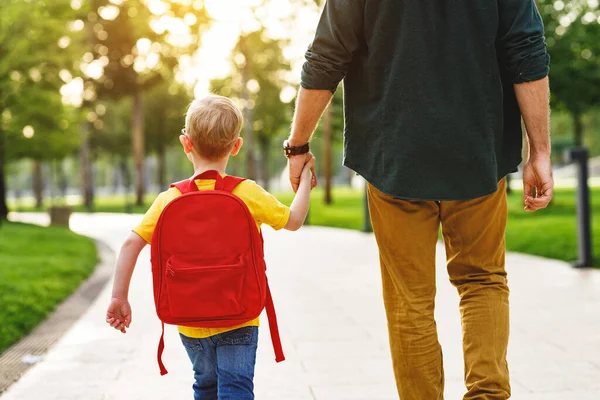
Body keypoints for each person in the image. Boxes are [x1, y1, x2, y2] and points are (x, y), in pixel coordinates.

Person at [286, 1, 553, 399]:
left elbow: (327, 55)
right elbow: (526, 49)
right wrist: (540, 151)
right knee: (482, 280)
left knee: (409, 300)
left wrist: (298, 144)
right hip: (476, 151)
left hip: (395, 155)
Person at [105, 95, 314, 400]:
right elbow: (294, 220)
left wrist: (118, 297)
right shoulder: (247, 193)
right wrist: (305, 178)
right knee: (237, 389)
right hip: (241, 314)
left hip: (191, 320)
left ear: (185, 143)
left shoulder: (169, 199)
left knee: (204, 386)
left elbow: (130, 244)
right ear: (236, 146)